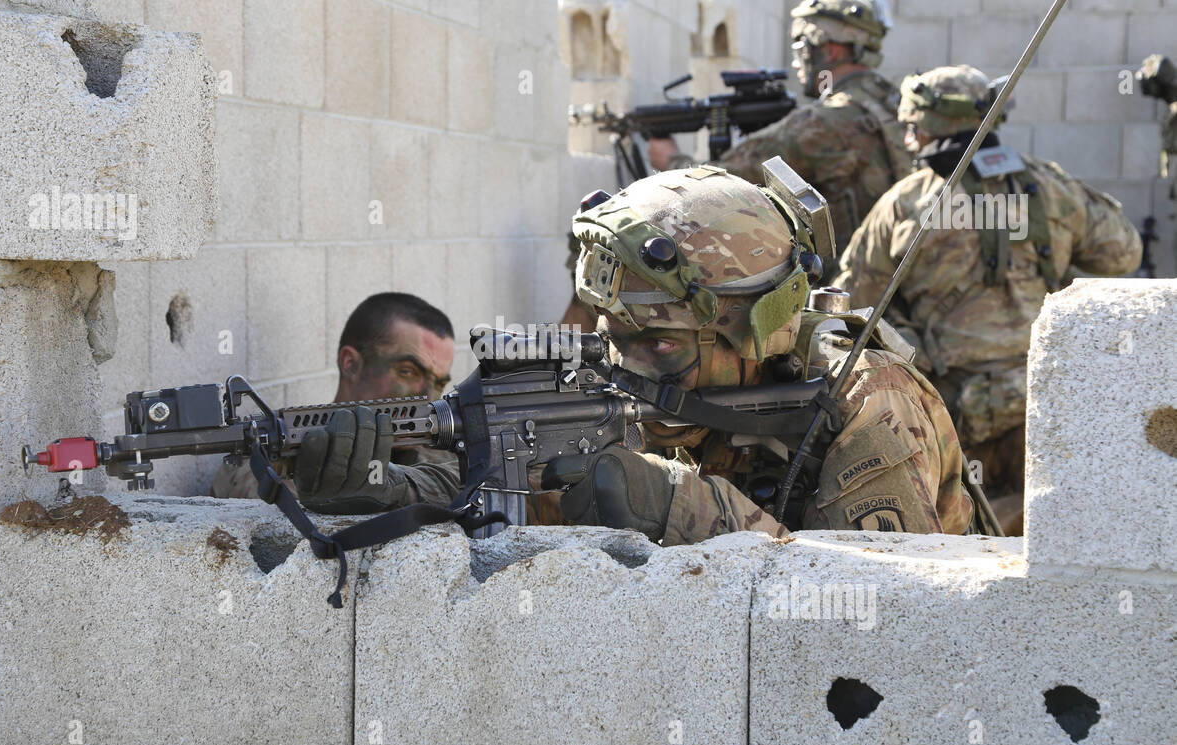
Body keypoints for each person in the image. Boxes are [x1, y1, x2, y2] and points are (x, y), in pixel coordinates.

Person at [295, 164, 975, 540]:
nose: (628, 364)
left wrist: (677, 505)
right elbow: (496, 485)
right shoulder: (610, 376)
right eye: (614, 332)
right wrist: (382, 486)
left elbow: (874, 602)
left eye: (659, 342)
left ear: (755, 328)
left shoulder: (865, 394)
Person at [833, 65, 1143, 535]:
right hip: (1043, 401)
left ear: (922, 127)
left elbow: (855, 304)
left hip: (950, 411)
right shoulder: (1047, 186)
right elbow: (1124, 252)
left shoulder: (904, 203)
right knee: (1057, 536)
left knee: (964, 548)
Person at [649, 0, 914, 246]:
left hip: (841, 286)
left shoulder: (822, 121)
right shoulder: (898, 102)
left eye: (801, 48)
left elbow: (722, 185)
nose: (797, 62)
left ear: (831, 51)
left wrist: (671, 160)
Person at [210, 292, 458, 503]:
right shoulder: (269, 455)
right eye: (408, 372)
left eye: (438, 382)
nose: (429, 397)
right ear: (351, 364)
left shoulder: (446, 459)